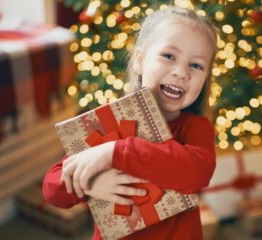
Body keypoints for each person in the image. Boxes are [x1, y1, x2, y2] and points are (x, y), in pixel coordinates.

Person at [43, 6, 218, 240]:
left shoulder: (195, 128)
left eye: (196, 65)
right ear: (140, 61)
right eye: (169, 56)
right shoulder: (112, 122)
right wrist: (90, 182)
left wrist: (115, 152)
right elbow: (52, 188)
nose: (181, 72)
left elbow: (197, 173)